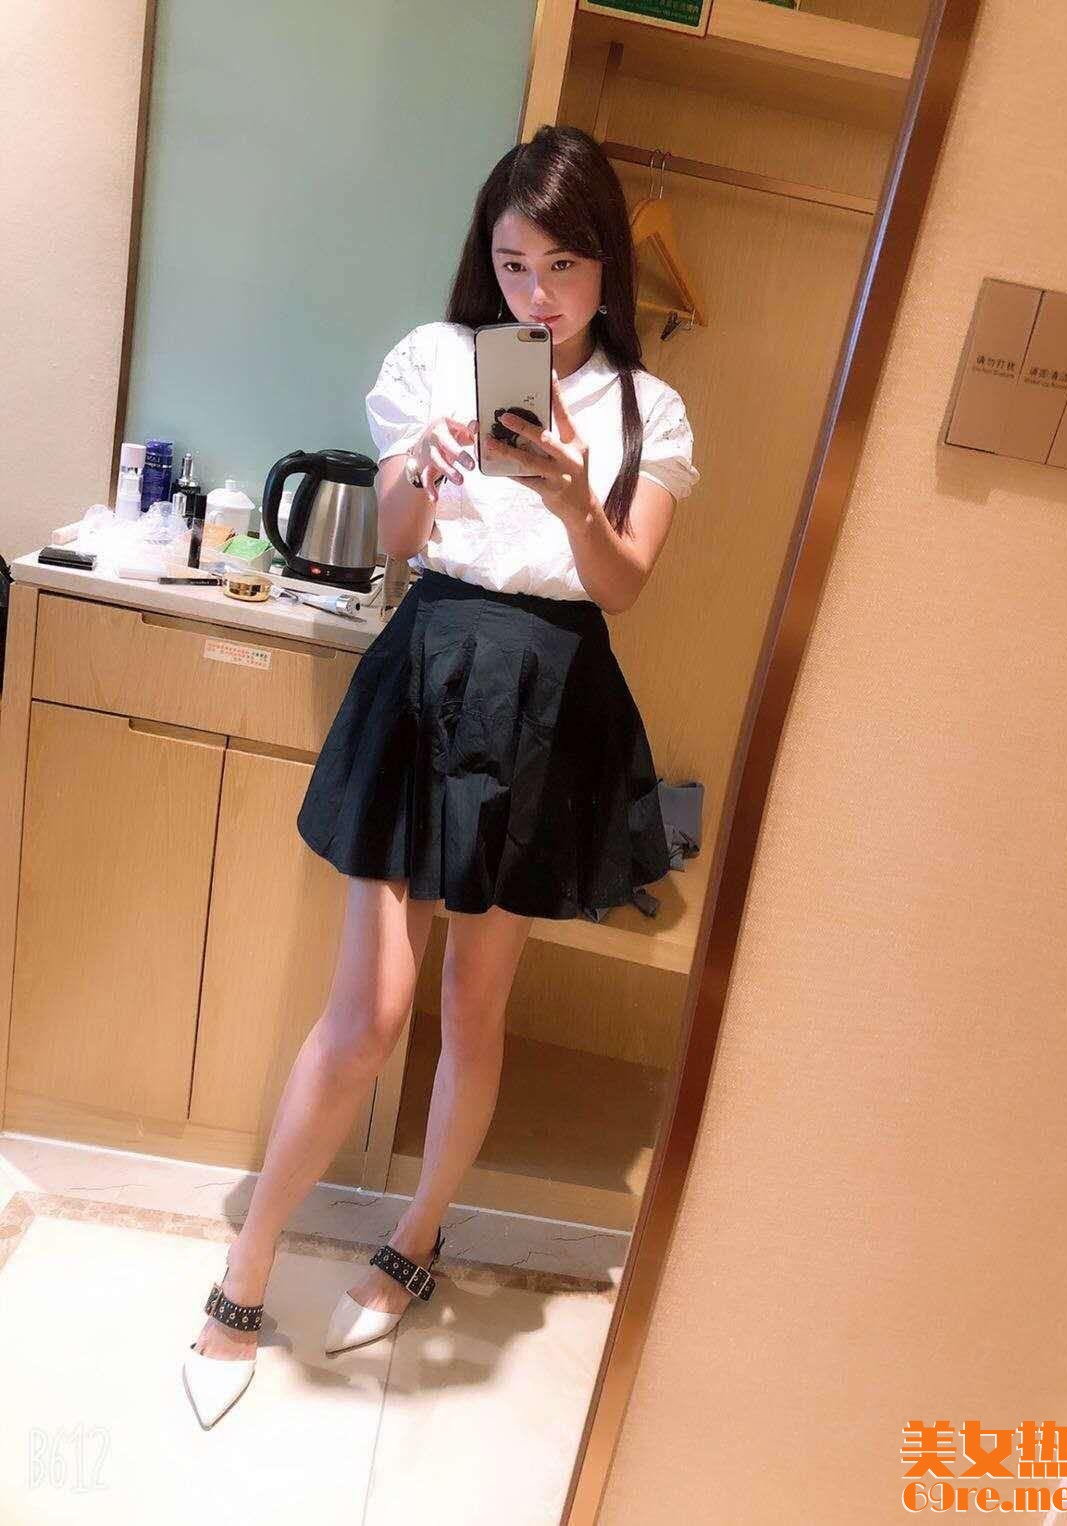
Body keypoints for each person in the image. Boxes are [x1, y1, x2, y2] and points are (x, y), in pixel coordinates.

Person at [182, 123, 700, 1427]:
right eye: (515, 264)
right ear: (490, 258)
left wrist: (574, 495)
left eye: (564, 266)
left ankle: (414, 1241)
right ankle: (243, 1274)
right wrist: (422, 461)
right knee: (370, 1015)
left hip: (550, 696)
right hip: (431, 671)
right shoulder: (433, 360)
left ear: (607, 267)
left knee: (477, 1004)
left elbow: (624, 586)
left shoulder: (647, 411)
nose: (538, 294)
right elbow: (401, 540)